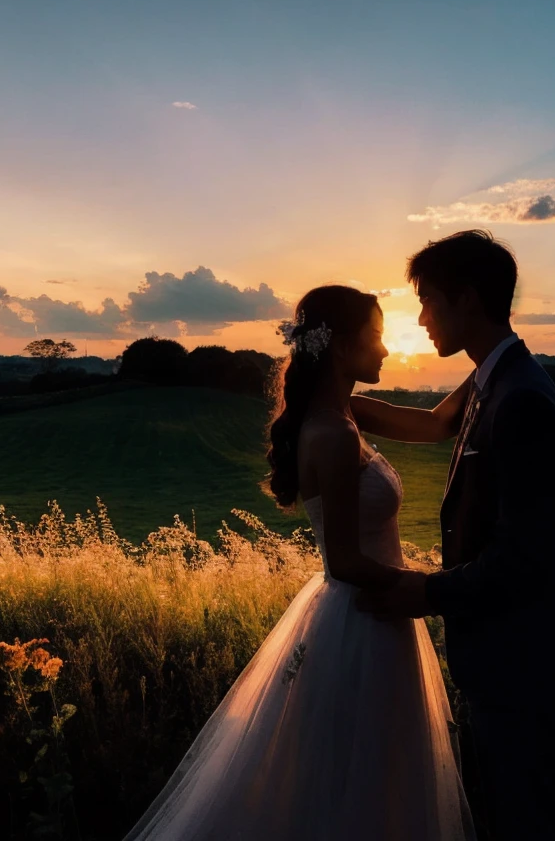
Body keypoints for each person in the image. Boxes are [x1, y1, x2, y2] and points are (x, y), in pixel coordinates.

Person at [125, 285, 474, 840]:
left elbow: (434, 424)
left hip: (371, 613)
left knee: (377, 774)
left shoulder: (347, 412)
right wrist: (431, 591)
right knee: (359, 776)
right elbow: (344, 560)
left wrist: (490, 366)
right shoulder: (334, 433)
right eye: (377, 337)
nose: (386, 350)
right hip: (366, 619)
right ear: (339, 347)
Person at [354, 229, 555, 840]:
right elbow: (434, 421)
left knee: (524, 819)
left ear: (466, 300)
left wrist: (426, 593)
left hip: (526, 664)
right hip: (509, 659)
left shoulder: (519, 400)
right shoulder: (496, 378)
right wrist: (331, 403)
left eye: (429, 302)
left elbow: (523, 558)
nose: (420, 319)